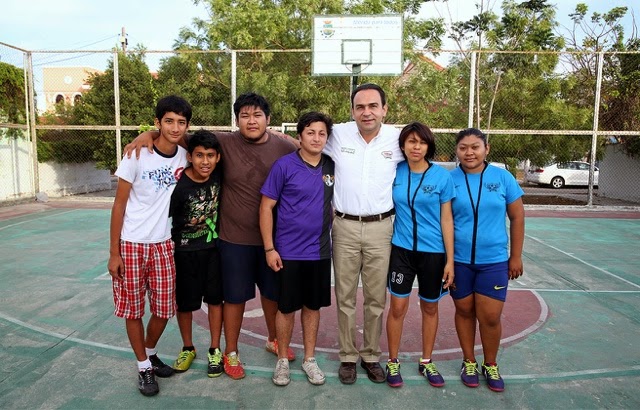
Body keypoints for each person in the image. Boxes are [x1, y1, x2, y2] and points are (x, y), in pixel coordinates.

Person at [124, 92, 298, 380]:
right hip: (232, 239)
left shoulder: (282, 145)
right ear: (236, 119)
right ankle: (230, 352)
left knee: (272, 294)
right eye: (244, 115)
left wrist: (288, 137)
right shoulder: (224, 143)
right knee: (234, 298)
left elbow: (308, 148)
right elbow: (178, 134)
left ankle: (273, 339)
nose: (251, 120)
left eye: (257, 115)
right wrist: (148, 133)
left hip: (271, 240)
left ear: (268, 118)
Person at [107, 95, 191, 396]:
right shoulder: (136, 155)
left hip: (163, 244)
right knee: (133, 311)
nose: (175, 127)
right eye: (168, 121)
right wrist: (114, 252)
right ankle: (143, 366)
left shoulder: (185, 155)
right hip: (131, 243)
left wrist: (153, 134)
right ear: (157, 122)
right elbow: (118, 205)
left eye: (181, 122)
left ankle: (150, 352)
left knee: (164, 309)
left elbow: (203, 143)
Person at [324, 83, 404, 384]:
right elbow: (303, 140)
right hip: (343, 225)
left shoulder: (397, 138)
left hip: (382, 228)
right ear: (352, 110)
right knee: (344, 296)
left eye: (373, 106)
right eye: (360, 106)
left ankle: (370, 355)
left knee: (375, 298)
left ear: (384, 109)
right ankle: (347, 356)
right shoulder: (338, 134)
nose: (366, 112)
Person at [259, 112, 335, 387]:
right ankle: (281, 359)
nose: (316, 138)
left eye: (322, 133)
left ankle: (309, 359)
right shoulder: (284, 166)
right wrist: (270, 248)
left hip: (320, 251)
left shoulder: (331, 166)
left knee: (312, 307)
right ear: (300, 136)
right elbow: (266, 206)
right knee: (287, 307)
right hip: (288, 251)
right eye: (310, 132)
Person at [449, 127, 525, 392]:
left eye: (475, 147)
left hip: (493, 260)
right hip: (459, 260)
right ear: (456, 151)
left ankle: (490, 363)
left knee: (490, 316)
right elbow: (444, 221)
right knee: (464, 310)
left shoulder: (503, 178)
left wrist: (515, 256)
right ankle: (468, 361)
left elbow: (517, 217)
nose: (469, 152)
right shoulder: (450, 180)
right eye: (463, 148)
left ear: (486, 149)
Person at [384, 122, 455, 388]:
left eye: (422, 142)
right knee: (397, 307)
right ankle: (393, 361)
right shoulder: (395, 171)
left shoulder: (441, 177)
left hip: (433, 253)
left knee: (430, 306)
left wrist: (450, 260)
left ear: (429, 146)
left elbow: (447, 219)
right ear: (402, 145)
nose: (416, 147)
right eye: (411, 141)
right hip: (401, 250)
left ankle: (426, 361)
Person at [169, 130, 224, 378]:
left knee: (215, 300)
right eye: (199, 155)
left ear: (218, 158)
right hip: (183, 252)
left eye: (210, 156)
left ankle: (215, 349)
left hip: (213, 250)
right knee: (185, 304)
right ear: (189, 156)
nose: (205, 161)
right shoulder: (178, 185)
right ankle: (188, 347)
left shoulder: (219, 176)